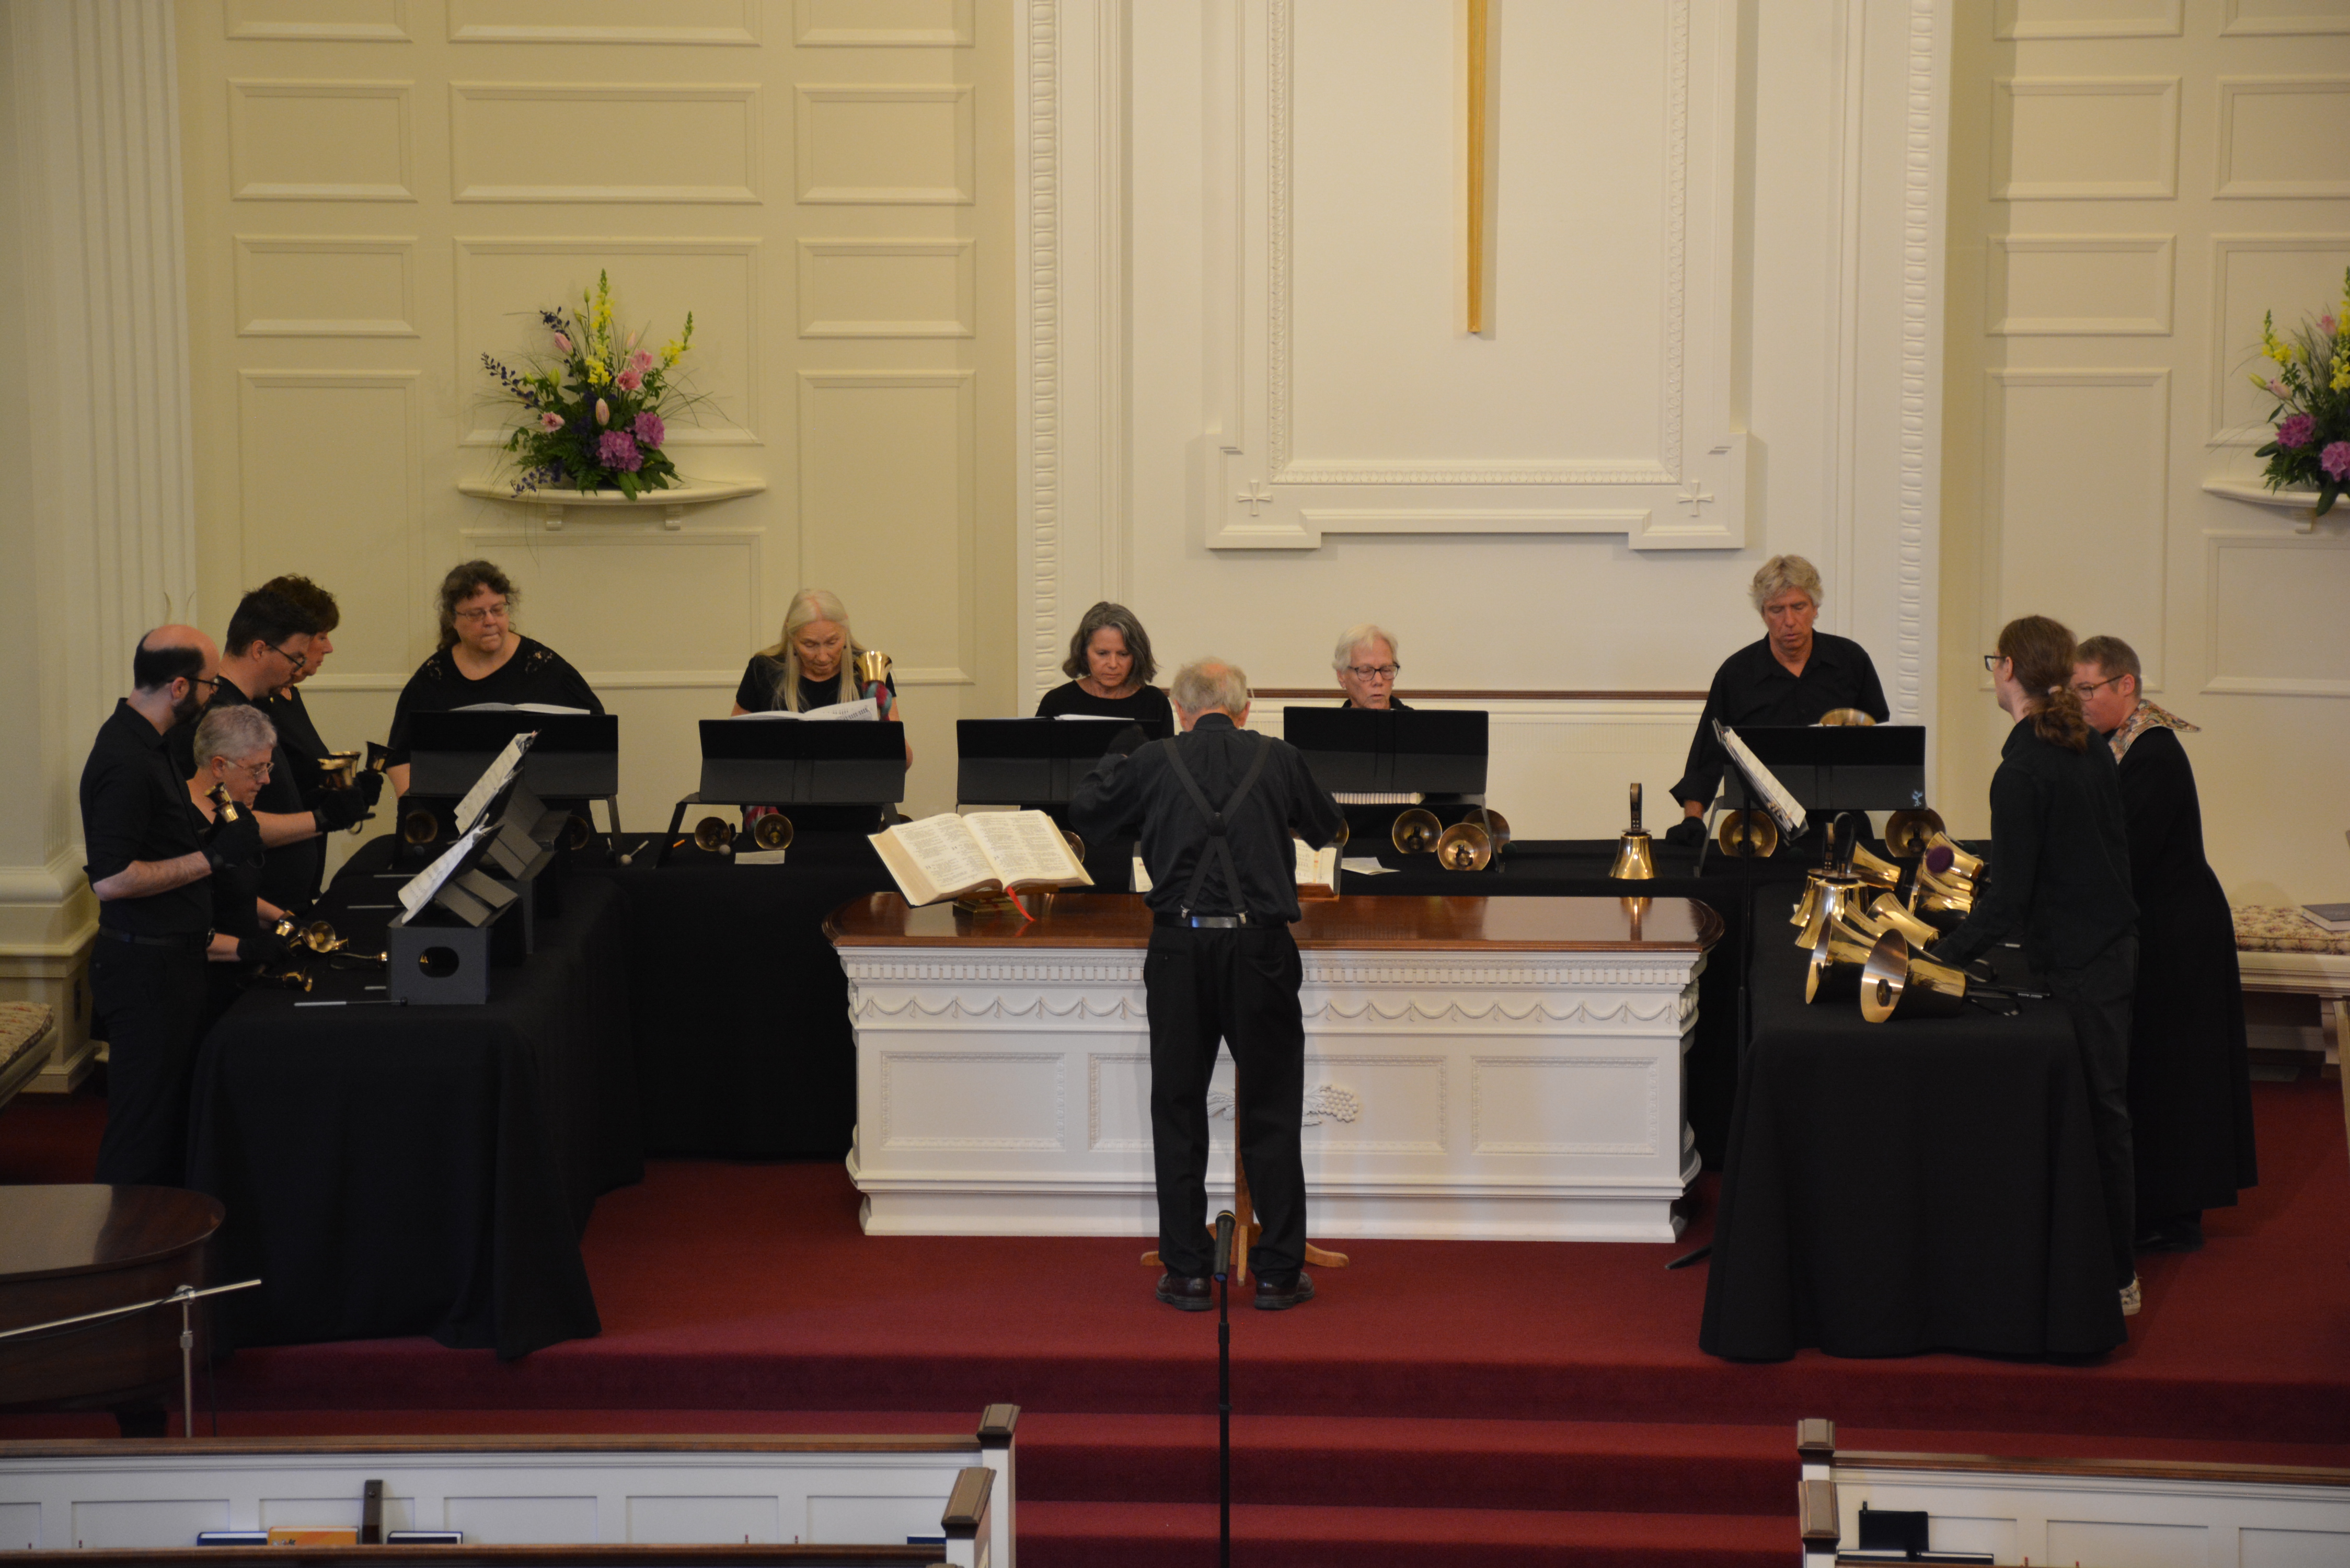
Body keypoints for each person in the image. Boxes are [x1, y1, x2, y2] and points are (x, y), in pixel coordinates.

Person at [1070, 658, 1345, 1312]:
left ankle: (1188, 1271)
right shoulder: (1278, 757)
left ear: (1179, 708)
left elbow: (1088, 811)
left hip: (1178, 948)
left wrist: (1121, 753)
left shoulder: (1152, 758)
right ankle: (1278, 1272)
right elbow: (1327, 828)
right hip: (1260, 949)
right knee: (1272, 1108)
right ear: (1245, 709)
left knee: (1178, 1106)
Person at [1931, 616, 2141, 1316]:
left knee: (2098, 1113)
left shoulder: (2022, 768)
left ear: (2010, 668)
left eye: (1995, 661)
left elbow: (2012, 903)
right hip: (2108, 946)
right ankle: (2110, 1266)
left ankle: (2112, 1274)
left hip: (2080, 961)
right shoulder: (2088, 746)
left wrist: (1938, 955)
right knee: (2101, 1109)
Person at [2074, 634, 2256, 1254]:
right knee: (2158, 1068)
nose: (2078, 701)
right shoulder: (2116, 744)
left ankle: (2172, 1213)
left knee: (2175, 1071)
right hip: (2158, 922)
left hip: (2180, 934)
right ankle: (2158, 1201)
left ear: (2126, 686)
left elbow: (2122, 849)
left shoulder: (2150, 751)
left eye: (2086, 690)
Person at [80, 626, 260, 1186]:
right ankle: (119, 1265)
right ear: (180, 686)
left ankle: (157, 1251)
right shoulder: (126, 759)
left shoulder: (148, 747)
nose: (214, 696)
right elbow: (110, 880)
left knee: (166, 1127)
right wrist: (213, 859)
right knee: (142, 1134)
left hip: (170, 966)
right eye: (209, 685)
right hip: (145, 973)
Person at [169, 589, 368, 915]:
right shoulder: (218, 717)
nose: (297, 670)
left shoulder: (254, 706)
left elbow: (273, 799)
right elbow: (219, 816)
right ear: (260, 649)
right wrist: (322, 819)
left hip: (279, 901)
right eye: (294, 658)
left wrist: (323, 801)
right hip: (258, 906)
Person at [1665, 556, 1887, 845]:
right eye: (1776, 610)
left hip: (1841, 824)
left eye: (1799, 607)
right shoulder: (1736, 674)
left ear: (1816, 608)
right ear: (1762, 613)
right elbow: (1707, 756)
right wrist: (1693, 819)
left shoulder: (1851, 661)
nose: (1790, 621)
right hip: (1761, 830)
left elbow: (1881, 744)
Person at [386, 561, 602, 796]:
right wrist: (422, 812)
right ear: (453, 619)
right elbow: (400, 759)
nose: (490, 621)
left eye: (497, 610)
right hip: (457, 816)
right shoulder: (433, 678)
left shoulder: (546, 668)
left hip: (544, 808)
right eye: (476, 614)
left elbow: (598, 740)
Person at [254, 575, 381, 903]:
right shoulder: (259, 705)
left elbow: (294, 788)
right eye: (321, 637)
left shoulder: (289, 695)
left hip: (298, 887)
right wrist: (328, 811)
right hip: (268, 894)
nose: (329, 647)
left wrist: (346, 793)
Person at [183, 704, 294, 1031]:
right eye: (257, 769)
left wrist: (281, 917)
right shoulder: (184, 823)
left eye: (268, 767)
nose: (267, 780)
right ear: (219, 766)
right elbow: (182, 922)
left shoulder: (230, 814)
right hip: (199, 991)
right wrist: (246, 948)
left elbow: (231, 891)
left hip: (232, 979)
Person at [733, 587, 909, 768]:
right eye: (809, 645)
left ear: (846, 629)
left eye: (832, 643)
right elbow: (732, 748)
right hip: (778, 789)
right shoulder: (763, 669)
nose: (823, 656)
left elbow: (904, 762)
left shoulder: (870, 669)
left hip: (854, 790)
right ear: (791, 634)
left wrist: (885, 725)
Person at [1035, 601, 1173, 730]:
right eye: (1102, 654)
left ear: (1136, 655)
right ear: (1084, 652)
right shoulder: (1057, 702)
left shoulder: (1154, 703)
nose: (1113, 664)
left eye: (1123, 654)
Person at [1332, 625, 1411, 710]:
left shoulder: (1418, 722)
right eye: (1366, 671)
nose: (1379, 681)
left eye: (1386, 670)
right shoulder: (1328, 723)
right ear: (1341, 676)